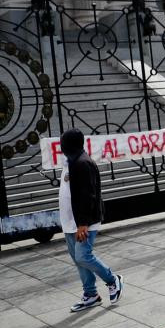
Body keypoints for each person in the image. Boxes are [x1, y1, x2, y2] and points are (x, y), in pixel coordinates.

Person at [58, 128, 123, 312]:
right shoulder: (71, 162)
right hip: (71, 222)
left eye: (63, 143)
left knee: (83, 256)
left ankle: (112, 280)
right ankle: (90, 294)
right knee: (78, 260)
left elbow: (88, 195)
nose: (61, 146)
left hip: (83, 223)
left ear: (70, 144)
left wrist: (83, 224)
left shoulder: (82, 163)